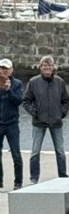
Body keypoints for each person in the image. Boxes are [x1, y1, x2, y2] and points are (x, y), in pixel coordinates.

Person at [21, 55, 69, 184]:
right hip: (39, 122)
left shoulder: (59, 82)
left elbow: (66, 101)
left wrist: (61, 113)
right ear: (40, 67)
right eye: (44, 65)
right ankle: (34, 178)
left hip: (56, 122)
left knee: (60, 152)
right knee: (35, 152)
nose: (47, 67)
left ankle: (63, 177)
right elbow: (26, 101)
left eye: (49, 65)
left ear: (53, 67)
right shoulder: (33, 82)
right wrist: (34, 112)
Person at [0, 58, 24, 190]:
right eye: (2, 68)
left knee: (16, 154)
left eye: (6, 68)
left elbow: (18, 101)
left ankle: (18, 182)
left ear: (11, 70)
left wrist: (9, 90)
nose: (4, 71)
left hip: (12, 124)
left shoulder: (17, 84)